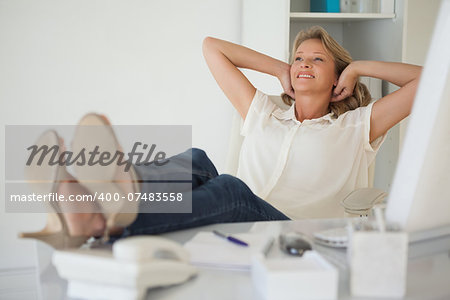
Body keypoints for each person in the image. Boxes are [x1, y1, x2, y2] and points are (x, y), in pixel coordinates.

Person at [20, 26, 421, 249]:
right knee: (196, 160)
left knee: (231, 189)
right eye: (298, 58)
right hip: (245, 221)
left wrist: (360, 67)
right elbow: (212, 48)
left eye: (318, 60)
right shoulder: (266, 111)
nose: (303, 64)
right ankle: (94, 200)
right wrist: (280, 69)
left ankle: (96, 216)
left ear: (337, 78)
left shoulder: (357, 128)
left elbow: (432, 79)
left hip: (291, 234)